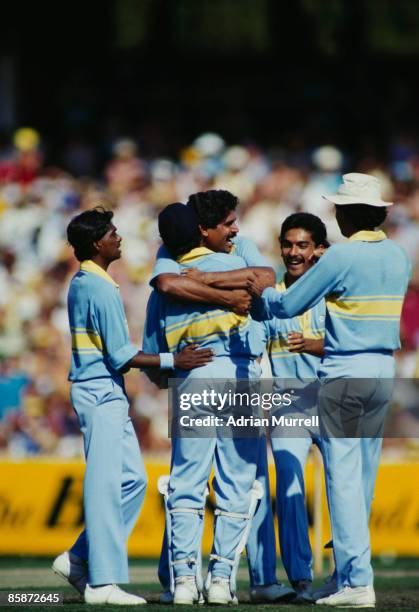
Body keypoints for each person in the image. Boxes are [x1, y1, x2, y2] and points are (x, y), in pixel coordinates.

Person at [252, 173, 411, 608]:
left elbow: (286, 304)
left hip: (344, 371)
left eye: (338, 208)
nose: (335, 214)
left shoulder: (340, 257)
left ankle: (356, 581)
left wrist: (259, 291)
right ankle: (345, 576)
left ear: (348, 213)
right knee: (361, 481)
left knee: (341, 481)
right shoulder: (399, 255)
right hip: (382, 370)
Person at [51, 207, 212, 606]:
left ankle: (79, 557)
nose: (119, 237)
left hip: (105, 390)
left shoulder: (93, 281)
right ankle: (102, 582)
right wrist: (177, 361)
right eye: (112, 233)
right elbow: (122, 355)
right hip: (98, 390)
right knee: (106, 486)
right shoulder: (96, 286)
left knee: (132, 481)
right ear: (96, 244)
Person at [149, 191, 294, 604]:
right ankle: (220, 582)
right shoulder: (242, 267)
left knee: (187, 482)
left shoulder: (171, 273)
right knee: (237, 484)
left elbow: (155, 329)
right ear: (204, 229)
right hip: (241, 378)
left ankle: (182, 582)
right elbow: (267, 288)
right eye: (229, 223)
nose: (235, 231)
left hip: (194, 378)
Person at [259, 212, 328, 603]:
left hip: (333, 400)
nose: (293, 252)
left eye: (302, 245)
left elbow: (352, 344)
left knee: (345, 491)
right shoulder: (272, 298)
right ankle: (301, 579)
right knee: (288, 486)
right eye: (288, 244)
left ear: (319, 249)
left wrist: (314, 344)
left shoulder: (333, 291)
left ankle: (347, 576)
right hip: (287, 404)